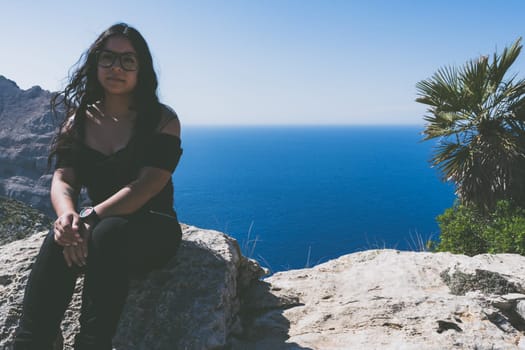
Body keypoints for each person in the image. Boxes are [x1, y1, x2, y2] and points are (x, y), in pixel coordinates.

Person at [14, 23, 183, 350]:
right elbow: (64, 178)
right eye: (108, 58)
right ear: (95, 65)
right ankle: (32, 341)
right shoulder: (78, 120)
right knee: (61, 233)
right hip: (100, 224)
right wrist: (68, 217)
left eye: (128, 60)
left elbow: (146, 186)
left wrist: (90, 217)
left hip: (153, 227)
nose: (116, 68)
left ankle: (91, 344)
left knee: (107, 234)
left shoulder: (163, 120)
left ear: (141, 69)